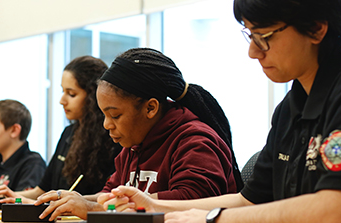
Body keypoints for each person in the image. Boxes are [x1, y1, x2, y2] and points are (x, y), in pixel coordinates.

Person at [96, 0, 341, 222]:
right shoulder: (290, 109)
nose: (253, 51)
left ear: (316, 29)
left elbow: (339, 208)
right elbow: (247, 201)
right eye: (250, 36)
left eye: (264, 37)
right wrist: (152, 205)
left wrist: (214, 218)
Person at [34, 48, 243, 221]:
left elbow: (189, 205)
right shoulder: (133, 145)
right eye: (104, 115)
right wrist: (73, 199)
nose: (107, 125)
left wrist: (92, 209)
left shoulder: (195, 142)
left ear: (150, 108)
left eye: (115, 115)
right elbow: (109, 195)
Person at [0, 56, 121, 203]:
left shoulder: (112, 138)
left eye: (71, 94)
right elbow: (43, 190)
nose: (62, 100)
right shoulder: (68, 134)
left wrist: (65, 202)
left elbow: (107, 197)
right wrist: (8, 194)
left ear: (93, 95)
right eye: (62, 91)